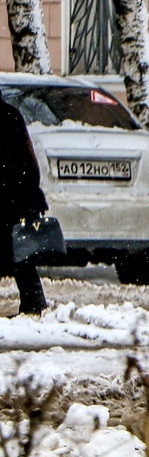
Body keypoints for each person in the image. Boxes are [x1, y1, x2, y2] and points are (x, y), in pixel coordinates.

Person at [0, 90, 50, 316]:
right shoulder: (11, 115)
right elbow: (28, 158)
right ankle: (34, 304)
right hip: (17, 195)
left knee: (20, 256)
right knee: (22, 256)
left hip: (11, 195)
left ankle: (34, 303)